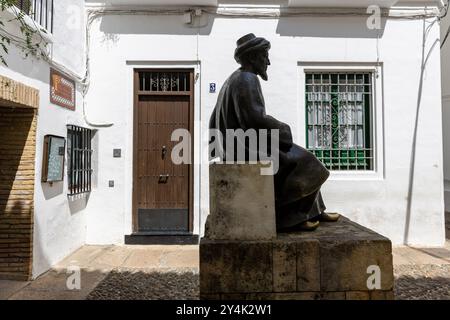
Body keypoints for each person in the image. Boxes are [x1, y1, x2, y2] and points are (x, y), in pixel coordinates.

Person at [209, 33, 340, 231]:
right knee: (305, 161)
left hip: (243, 143)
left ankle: (314, 210)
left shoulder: (236, 78)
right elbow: (254, 120)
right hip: (244, 148)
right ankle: (291, 218)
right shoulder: (246, 78)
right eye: (265, 56)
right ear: (253, 57)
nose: (268, 62)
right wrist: (283, 130)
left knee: (301, 156)